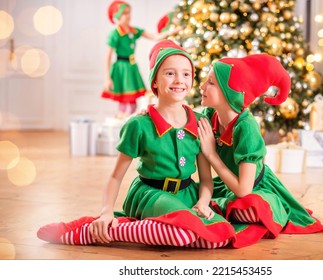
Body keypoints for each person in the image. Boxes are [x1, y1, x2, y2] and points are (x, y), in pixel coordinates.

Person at [37, 40, 236, 249]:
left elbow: (205, 179)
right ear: (155, 82)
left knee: (222, 233)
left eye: (186, 74)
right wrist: (106, 211)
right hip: (150, 195)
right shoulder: (138, 125)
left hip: (188, 195)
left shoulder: (200, 124)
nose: (179, 80)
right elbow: (116, 176)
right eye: (170, 73)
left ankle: (135, 227)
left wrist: (203, 202)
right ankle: (99, 229)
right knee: (185, 231)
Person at [197, 54, 323, 246]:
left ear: (230, 93)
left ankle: (241, 211)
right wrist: (149, 113)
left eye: (211, 83)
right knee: (188, 193)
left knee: (249, 205)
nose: (202, 86)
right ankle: (223, 208)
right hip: (226, 185)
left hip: (253, 189)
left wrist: (211, 154)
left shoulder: (246, 128)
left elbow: (243, 189)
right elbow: (179, 118)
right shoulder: (210, 116)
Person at [101, 1, 179, 119]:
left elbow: (154, 37)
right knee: (125, 99)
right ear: (117, 15)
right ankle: (122, 119)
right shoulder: (115, 34)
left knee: (131, 101)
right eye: (125, 13)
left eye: (129, 13)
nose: (128, 16)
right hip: (121, 68)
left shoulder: (133, 31)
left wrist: (170, 32)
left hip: (131, 67)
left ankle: (126, 120)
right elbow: (108, 56)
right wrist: (107, 77)